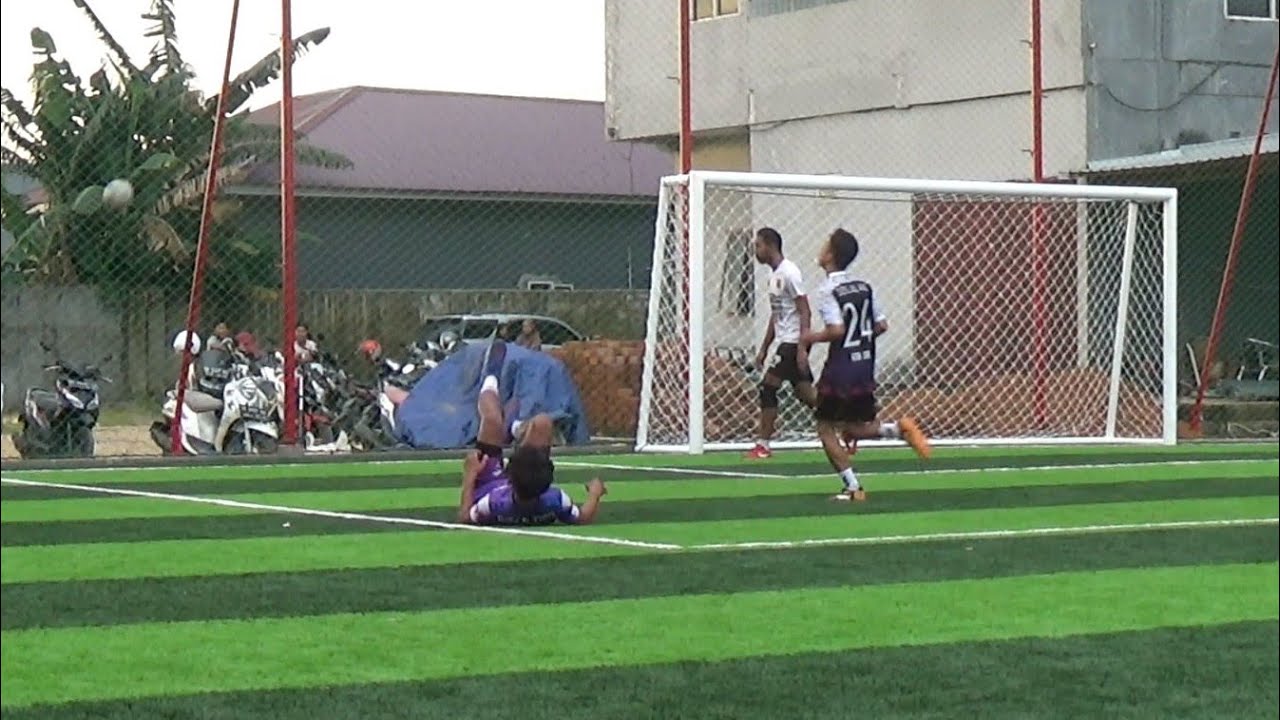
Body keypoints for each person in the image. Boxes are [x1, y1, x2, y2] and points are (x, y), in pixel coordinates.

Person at [800, 228, 931, 502]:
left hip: (840, 369)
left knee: (825, 427)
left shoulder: (828, 290)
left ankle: (852, 487)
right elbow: (881, 325)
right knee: (851, 427)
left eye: (824, 244)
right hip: (863, 367)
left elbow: (836, 330)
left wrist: (810, 337)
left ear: (830, 255)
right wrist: (861, 339)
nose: (820, 249)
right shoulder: (864, 287)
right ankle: (898, 430)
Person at [458, 340, 607, 525]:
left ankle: (490, 378)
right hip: (522, 482)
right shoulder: (554, 500)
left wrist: (470, 474)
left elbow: (465, 517)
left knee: (492, 420)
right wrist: (595, 494)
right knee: (543, 423)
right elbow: (583, 517)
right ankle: (515, 428)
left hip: (489, 483)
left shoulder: (495, 503)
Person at [746, 227, 818, 460]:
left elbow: (805, 311)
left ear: (770, 245)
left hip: (793, 342)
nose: (755, 250)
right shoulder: (774, 276)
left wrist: (800, 348)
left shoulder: (790, 272)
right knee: (806, 395)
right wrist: (764, 350)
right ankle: (847, 425)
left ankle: (763, 445)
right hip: (784, 341)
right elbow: (776, 316)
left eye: (758, 245)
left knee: (768, 387)